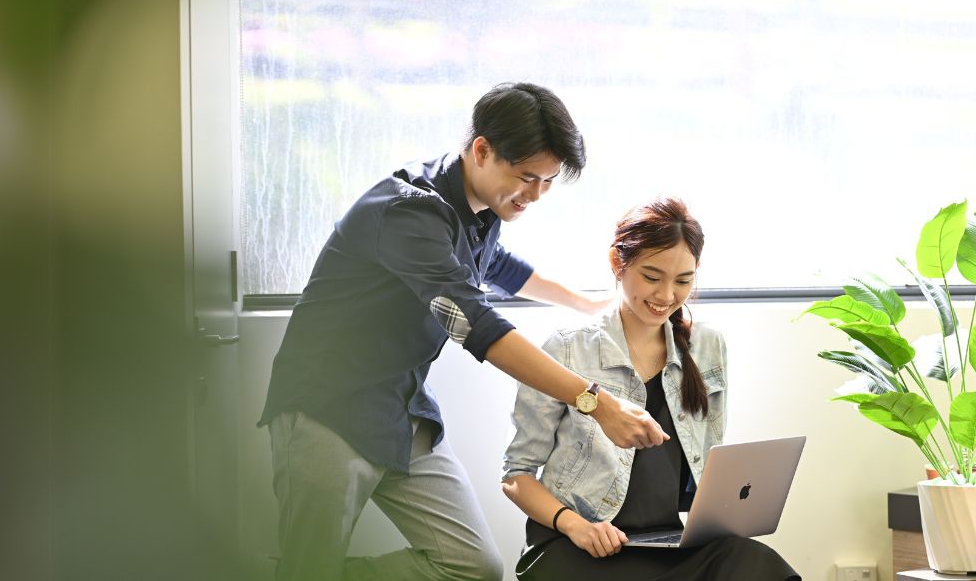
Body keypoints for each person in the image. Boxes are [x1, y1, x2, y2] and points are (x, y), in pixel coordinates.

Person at [258, 82, 669, 581]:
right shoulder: (408, 212)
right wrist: (596, 401)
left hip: (404, 411)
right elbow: (477, 324)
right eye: (527, 178)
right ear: (482, 150)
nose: (536, 195)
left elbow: (498, 265)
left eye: (547, 181)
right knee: (310, 567)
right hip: (329, 406)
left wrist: (589, 302)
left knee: (474, 568)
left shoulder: (480, 207)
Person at [501, 197, 801, 581]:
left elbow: (710, 465)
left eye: (683, 281)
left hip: (667, 544)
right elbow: (516, 473)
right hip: (577, 543)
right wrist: (576, 526)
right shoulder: (568, 348)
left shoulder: (708, 347)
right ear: (617, 263)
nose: (666, 296)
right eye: (652, 276)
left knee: (759, 565)